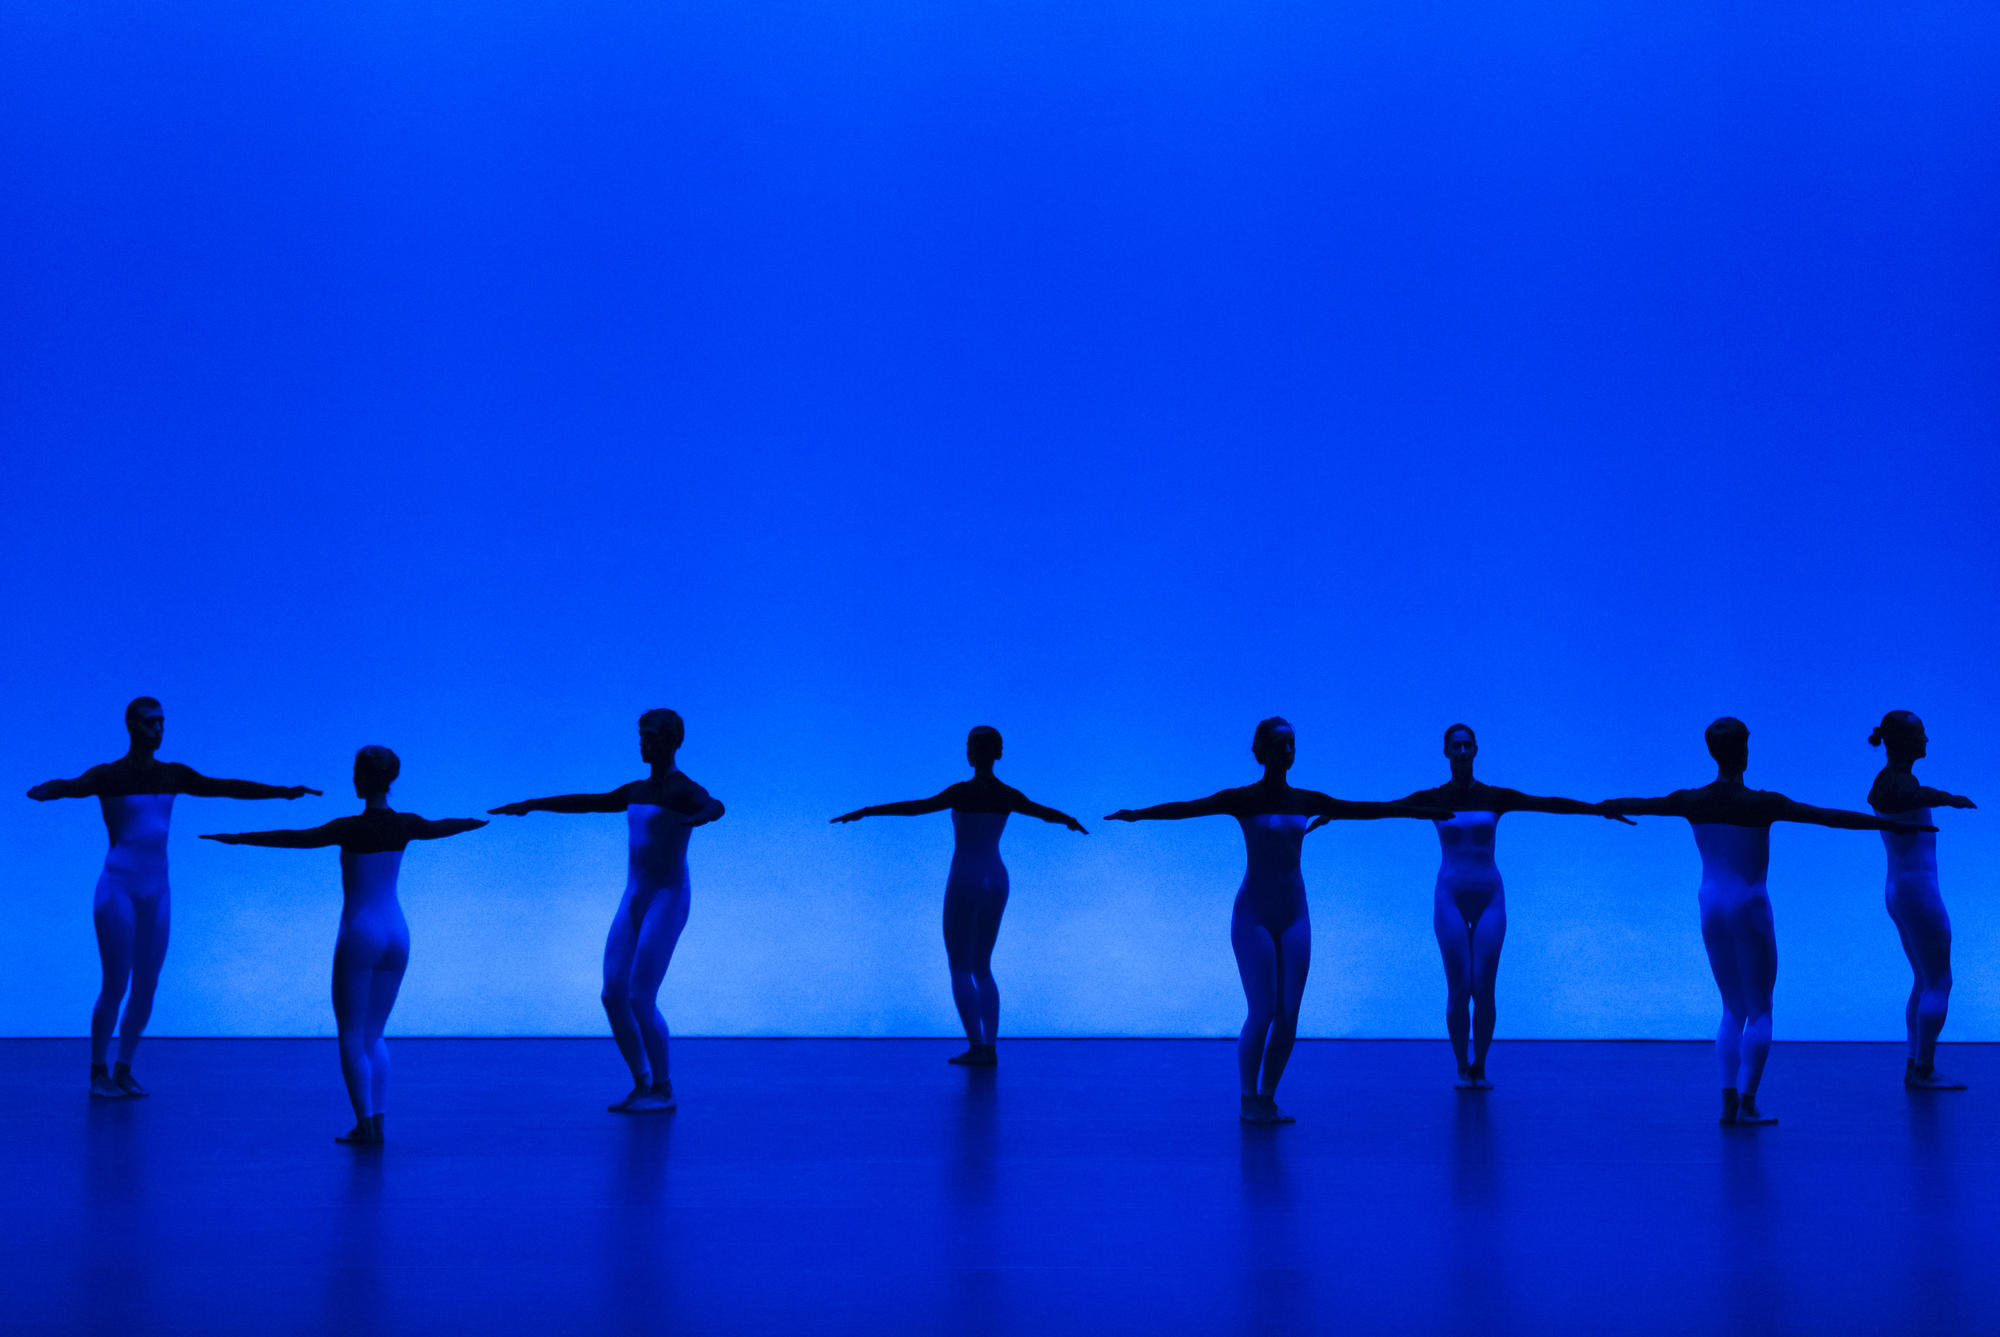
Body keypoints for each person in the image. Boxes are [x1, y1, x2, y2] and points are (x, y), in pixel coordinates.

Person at [1106, 718, 1451, 1124]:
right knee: (1262, 1010)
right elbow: (1190, 808)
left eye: (1292, 744)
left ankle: (1266, 1096)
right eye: (1280, 744)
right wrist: (1139, 815)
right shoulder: (1244, 799)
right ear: (1262, 751)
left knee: (1289, 1013)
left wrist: (1418, 812)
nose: (1288, 751)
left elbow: (1365, 810)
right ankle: (1247, 1097)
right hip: (1253, 914)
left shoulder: (1305, 800)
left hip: (1294, 916)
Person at [1603, 718, 1930, 1126]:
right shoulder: (1761, 802)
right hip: (1750, 904)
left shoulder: (1691, 800)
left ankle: (1727, 1103)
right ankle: (1748, 1103)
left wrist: (1603, 808)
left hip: (1710, 904)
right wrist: (1891, 823)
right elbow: (1826, 816)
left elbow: (1642, 803)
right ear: (1745, 751)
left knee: (1730, 1008)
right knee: (1759, 1010)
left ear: (1712, 751)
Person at [26, 697, 319, 1098]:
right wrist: (46, 790)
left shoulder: (171, 775)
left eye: (162, 722)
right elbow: (74, 786)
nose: (159, 730)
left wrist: (282, 792)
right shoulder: (109, 775)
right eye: (150, 723)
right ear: (131, 726)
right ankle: (97, 1073)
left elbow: (224, 788)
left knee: (147, 985)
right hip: (118, 890)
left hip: (157, 892)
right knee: (115, 983)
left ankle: (124, 1067)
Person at [1320, 724, 1629, 1089]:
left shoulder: (1494, 796)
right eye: (1456, 746)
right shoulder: (1434, 799)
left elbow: (1547, 804)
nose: (1463, 751)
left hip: (1489, 898)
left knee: (1483, 988)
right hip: (1450, 897)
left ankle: (1480, 1065)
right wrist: (1335, 812)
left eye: (1468, 745)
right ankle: (1460, 1065)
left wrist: (1599, 810)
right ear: (1447, 753)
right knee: (1459, 988)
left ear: (1476, 750)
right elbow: (1385, 808)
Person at [202, 746, 486, 1144]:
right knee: (375, 1035)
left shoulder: (349, 828)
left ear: (367, 778)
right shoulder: (406, 823)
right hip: (397, 934)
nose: (352, 778)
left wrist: (239, 838)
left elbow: (295, 839)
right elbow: (442, 826)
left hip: (360, 934)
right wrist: (473, 823)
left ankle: (364, 1124)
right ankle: (378, 1124)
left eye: (355, 771)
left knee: (351, 1034)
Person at [489, 709, 723, 1113]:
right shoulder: (636, 790)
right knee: (612, 994)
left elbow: (713, 803)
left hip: (667, 898)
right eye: (640, 735)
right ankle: (642, 1082)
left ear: (671, 741)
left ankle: (664, 1089)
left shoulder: (683, 789)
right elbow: (590, 802)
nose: (642, 743)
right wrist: (533, 804)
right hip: (633, 897)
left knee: (640, 996)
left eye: (649, 736)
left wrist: (703, 816)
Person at [832, 725, 1087, 1066]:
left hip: (965, 879)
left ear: (971, 752)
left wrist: (866, 810)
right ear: (998, 752)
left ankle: (977, 1047)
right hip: (996, 878)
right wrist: (1071, 820)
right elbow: (1046, 813)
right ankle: (990, 1047)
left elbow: (915, 807)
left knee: (959, 966)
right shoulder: (1009, 794)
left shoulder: (961, 792)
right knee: (983, 966)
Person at [1866, 711, 1977, 1090]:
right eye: (1920, 735)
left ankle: (1916, 1063)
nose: (1927, 740)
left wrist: (1940, 797)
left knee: (1924, 979)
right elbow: (1903, 797)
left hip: (1901, 890)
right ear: (1905, 742)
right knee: (1940, 980)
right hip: (1916, 893)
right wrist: (1947, 798)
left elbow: (1902, 796)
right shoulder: (1893, 784)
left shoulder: (1893, 782)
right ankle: (1923, 1069)